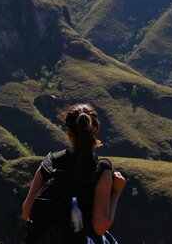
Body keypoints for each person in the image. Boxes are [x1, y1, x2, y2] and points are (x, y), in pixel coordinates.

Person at [22, 103, 126, 243]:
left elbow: (26, 212)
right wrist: (116, 191)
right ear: (96, 129)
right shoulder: (101, 169)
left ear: (69, 132)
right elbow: (100, 226)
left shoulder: (49, 164)